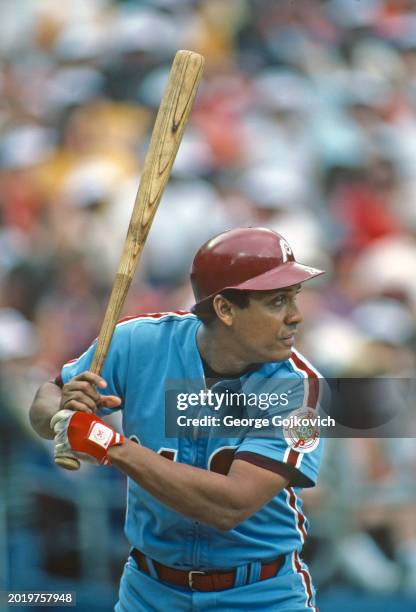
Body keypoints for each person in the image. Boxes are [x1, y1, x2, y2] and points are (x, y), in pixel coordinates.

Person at [30, 227, 325, 611]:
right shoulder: (139, 342)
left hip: (259, 593)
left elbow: (229, 507)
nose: (296, 316)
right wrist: (64, 411)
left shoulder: (300, 389)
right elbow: (45, 398)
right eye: (277, 301)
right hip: (149, 591)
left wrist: (110, 446)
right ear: (225, 309)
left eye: (295, 298)